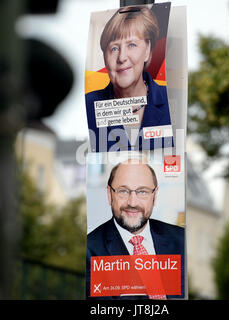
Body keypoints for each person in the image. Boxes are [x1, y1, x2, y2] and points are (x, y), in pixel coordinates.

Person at [86, 159, 185, 299]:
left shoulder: (181, 239)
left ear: (155, 196)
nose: (132, 202)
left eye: (143, 192)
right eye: (123, 191)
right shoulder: (90, 250)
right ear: (109, 194)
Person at [85, 6, 173, 152]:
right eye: (114, 48)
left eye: (131, 45)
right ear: (105, 57)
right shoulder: (89, 104)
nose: (122, 57)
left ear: (147, 50)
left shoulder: (170, 99)